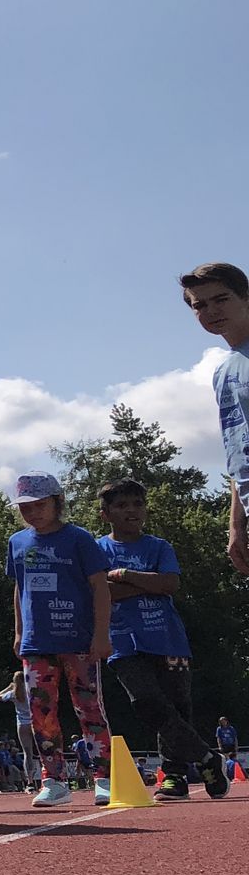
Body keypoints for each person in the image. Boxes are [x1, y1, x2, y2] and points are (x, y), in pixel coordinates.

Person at [95, 478, 230, 800]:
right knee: (147, 702)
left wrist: (126, 575)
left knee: (177, 707)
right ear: (106, 514)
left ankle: (175, 777)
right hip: (123, 641)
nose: (131, 510)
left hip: (167, 638)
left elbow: (169, 584)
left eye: (138, 504)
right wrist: (147, 584)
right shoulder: (97, 550)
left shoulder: (159, 547)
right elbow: (102, 591)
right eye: (122, 505)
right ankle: (207, 757)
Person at [6, 473, 114, 808]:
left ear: (57, 502)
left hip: (78, 639)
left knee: (89, 708)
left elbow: (100, 587)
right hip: (37, 643)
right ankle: (53, 780)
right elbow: (19, 587)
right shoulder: (17, 542)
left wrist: (101, 633)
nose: (33, 513)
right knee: (41, 713)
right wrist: (19, 631)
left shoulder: (79, 539)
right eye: (25, 507)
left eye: (40, 505)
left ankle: (105, 778)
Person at [179, 261, 249, 576]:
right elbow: (238, 452)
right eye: (200, 305)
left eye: (221, 299)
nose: (211, 311)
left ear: (245, 296)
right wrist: (236, 525)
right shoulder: (223, 370)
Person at [0, 672, 39, 790]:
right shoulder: (31, 691)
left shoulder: (14, 693)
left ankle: (30, 782)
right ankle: (48, 778)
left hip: (22, 724)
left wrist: (9, 687)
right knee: (42, 751)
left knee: (27, 753)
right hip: (35, 722)